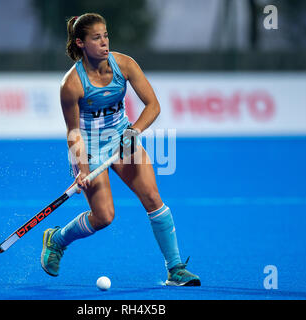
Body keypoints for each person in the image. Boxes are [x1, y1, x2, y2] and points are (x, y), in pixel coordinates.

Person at [40, 13, 200, 286]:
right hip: (89, 147)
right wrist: (83, 169)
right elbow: (74, 133)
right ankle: (56, 239)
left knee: (152, 196)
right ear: (80, 43)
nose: (104, 42)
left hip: (123, 138)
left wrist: (133, 132)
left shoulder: (124, 65)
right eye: (96, 38)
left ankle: (175, 269)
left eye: (105, 35)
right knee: (103, 217)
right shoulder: (72, 85)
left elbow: (153, 106)